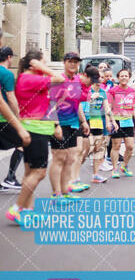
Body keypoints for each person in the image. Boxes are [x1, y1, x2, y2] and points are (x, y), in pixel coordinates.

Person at [6, 51, 64, 224]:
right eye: (42, 62)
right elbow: (60, 79)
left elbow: (50, 100)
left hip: (36, 129)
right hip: (35, 130)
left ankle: (27, 210)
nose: (44, 66)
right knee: (38, 172)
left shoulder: (29, 79)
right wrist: (42, 68)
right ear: (34, 64)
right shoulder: (30, 78)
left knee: (30, 172)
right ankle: (17, 208)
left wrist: (55, 125)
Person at [48, 53, 91, 199]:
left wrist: (83, 121)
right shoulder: (59, 80)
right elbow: (51, 103)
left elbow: (77, 104)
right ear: (64, 62)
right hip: (59, 123)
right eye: (70, 61)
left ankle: (65, 191)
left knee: (71, 158)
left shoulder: (77, 81)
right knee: (59, 158)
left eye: (76, 62)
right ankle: (56, 194)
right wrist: (56, 125)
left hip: (73, 123)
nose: (73, 64)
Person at [0, 47, 24, 190]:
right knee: (23, 142)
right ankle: (10, 177)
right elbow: (11, 97)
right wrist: (17, 117)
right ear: (9, 57)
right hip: (3, 118)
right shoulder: (7, 74)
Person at [108, 69, 135, 178]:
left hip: (128, 121)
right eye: (122, 76)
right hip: (117, 120)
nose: (124, 77)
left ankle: (125, 166)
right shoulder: (113, 90)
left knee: (130, 146)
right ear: (118, 77)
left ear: (129, 77)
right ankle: (114, 169)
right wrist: (112, 121)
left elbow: (134, 107)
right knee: (116, 146)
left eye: (126, 75)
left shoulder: (132, 91)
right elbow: (109, 107)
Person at [86, 74, 115, 183]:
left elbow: (107, 108)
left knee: (99, 148)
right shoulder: (88, 91)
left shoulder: (103, 92)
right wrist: (91, 99)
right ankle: (73, 178)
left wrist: (111, 121)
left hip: (97, 121)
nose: (99, 80)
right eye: (97, 78)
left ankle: (95, 175)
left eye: (101, 78)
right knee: (85, 149)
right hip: (88, 120)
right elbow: (82, 106)